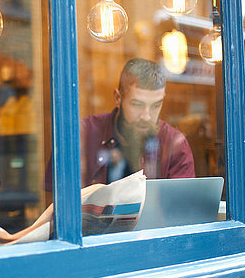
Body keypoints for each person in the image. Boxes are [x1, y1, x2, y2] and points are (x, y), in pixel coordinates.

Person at [46, 58, 195, 189]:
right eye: (137, 104)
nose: (147, 116)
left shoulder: (174, 143)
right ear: (118, 98)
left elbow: (181, 210)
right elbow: (55, 207)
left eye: (156, 105)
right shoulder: (81, 135)